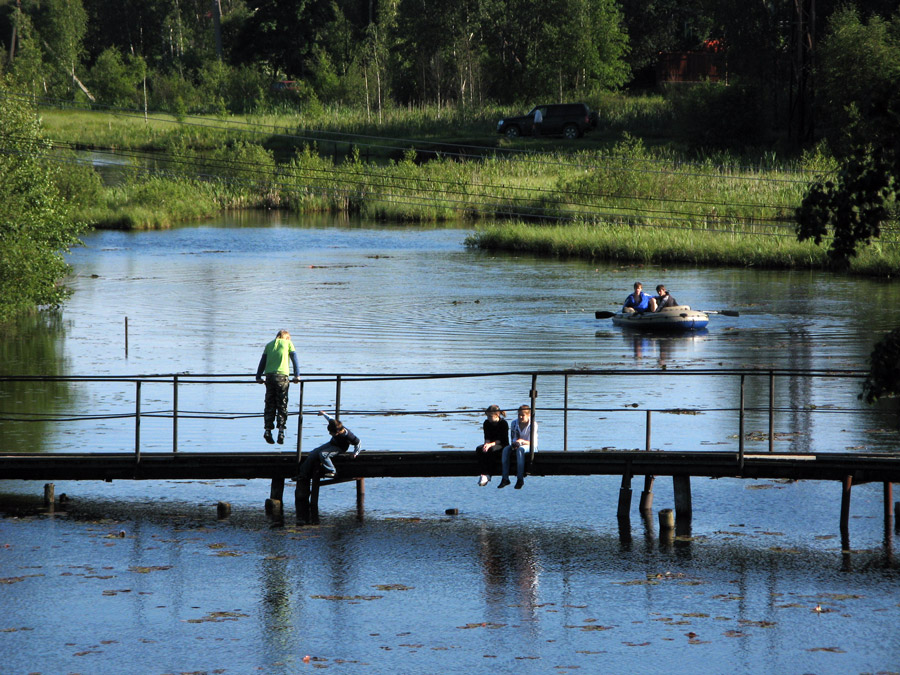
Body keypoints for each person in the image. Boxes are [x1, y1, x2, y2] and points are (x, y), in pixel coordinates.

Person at [255, 330, 300, 445]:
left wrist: (258, 376)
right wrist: (297, 375)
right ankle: (281, 431)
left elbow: (262, 361)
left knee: (269, 404)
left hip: (269, 377)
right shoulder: (288, 343)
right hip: (282, 377)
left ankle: (267, 430)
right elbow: (294, 359)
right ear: (287, 337)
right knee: (282, 404)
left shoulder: (269, 345)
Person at [294, 411, 362, 480]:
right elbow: (330, 418)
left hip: (340, 448)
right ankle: (303, 474)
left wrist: (355, 453)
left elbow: (358, 443)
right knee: (313, 453)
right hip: (332, 443)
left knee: (323, 454)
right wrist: (323, 413)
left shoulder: (349, 436)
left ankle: (332, 471)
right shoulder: (335, 425)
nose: (329, 433)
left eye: (331, 433)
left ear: (337, 432)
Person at [498, 405, 538, 490]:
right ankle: (505, 478)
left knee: (520, 450)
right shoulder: (514, 423)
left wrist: (521, 441)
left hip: (530, 446)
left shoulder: (533, 424)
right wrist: (515, 443)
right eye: (519, 415)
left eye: (523, 415)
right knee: (505, 449)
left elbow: (532, 442)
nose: (520, 417)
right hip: (518, 444)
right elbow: (513, 438)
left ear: (528, 415)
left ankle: (520, 479)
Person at [476, 405, 509, 486]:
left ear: (497, 415)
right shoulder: (486, 423)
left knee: (491, 450)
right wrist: (486, 444)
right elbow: (487, 436)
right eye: (488, 416)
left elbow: (502, 439)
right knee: (479, 449)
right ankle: (483, 473)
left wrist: (490, 445)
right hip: (490, 443)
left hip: (501, 444)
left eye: (490, 416)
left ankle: (489, 473)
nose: (488, 418)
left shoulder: (503, 423)